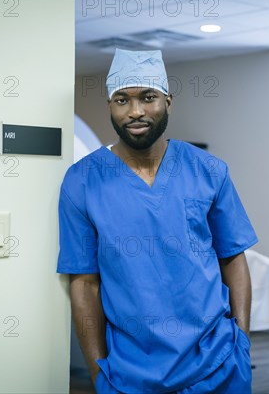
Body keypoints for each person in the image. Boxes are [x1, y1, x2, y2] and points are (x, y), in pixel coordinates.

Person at [57, 49, 258, 393]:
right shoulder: (83, 181)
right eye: (122, 99)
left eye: (147, 97)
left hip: (218, 365)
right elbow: (84, 283)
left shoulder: (208, 170)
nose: (135, 111)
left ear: (167, 100)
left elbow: (233, 258)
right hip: (131, 375)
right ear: (110, 105)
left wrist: (241, 341)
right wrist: (98, 374)